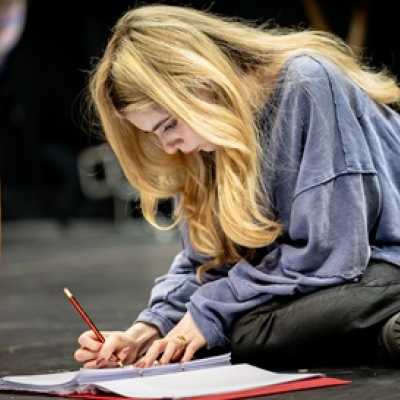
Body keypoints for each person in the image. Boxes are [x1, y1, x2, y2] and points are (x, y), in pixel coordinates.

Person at [74, 4, 400, 370]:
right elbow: (205, 262)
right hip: (347, 274)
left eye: (168, 125)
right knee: (234, 330)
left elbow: (331, 254)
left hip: (380, 260)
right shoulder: (205, 140)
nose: (168, 146)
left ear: (198, 84)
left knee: (248, 332)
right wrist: (148, 328)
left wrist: (210, 311)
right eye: (154, 133)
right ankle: (386, 336)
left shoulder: (305, 82)